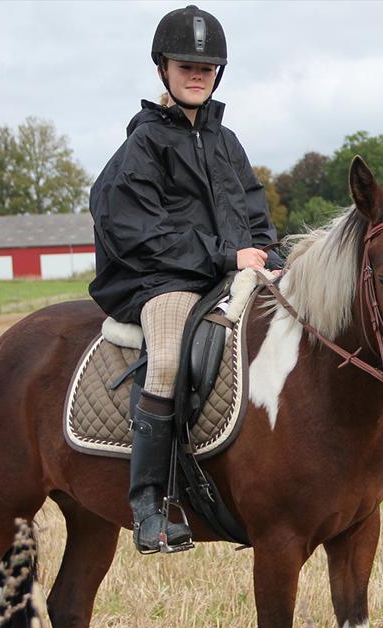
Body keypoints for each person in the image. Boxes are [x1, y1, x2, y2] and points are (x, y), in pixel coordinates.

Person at [89, 4, 281, 554]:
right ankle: (151, 503)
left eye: (207, 67)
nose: (197, 75)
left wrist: (267, 254)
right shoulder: (143, 146)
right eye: (184, 65)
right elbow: (139, 232)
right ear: (162, 69)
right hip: (164, 282)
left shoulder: (228, 142)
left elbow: (256, 218)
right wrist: (225, 254)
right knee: (169, 356)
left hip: (227, 274)